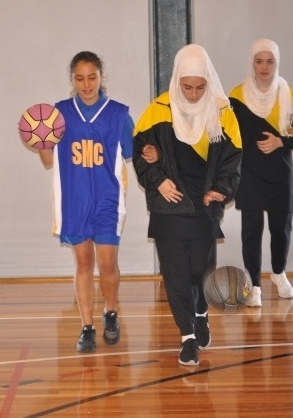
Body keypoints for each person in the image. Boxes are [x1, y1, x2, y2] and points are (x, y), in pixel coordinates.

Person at [133, 44, 242, 366]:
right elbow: (141, 152)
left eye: (200, 87)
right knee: (175, 275)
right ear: (177, 81)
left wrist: (220, 191)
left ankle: (201, 312)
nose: (193, 94)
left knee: (199, 272)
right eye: (187, 87)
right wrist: (157, 179)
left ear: (209, 82)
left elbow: (233, 161)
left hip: (204, 208)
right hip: (168, 208)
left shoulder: (223, 112)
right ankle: (187, 336)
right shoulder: (157, 110)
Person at [37, 51, 133, 353]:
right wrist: (39, 139)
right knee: (82, 263)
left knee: (107, 264)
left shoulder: (118, 114)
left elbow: (133, 153)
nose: (87, 84)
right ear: (72, 80)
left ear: (101, 77)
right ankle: (87, 326)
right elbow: (48, 160)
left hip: (107, 198)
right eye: (80, 78)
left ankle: (111, 311)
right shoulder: (59, 113)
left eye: (92, 77)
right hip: (75, 199)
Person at [229, 38, 293, 307]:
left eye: (270, 61)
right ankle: (254, 285)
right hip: (249, 173)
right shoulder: (236, 96)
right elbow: (229, 135)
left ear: (277, 63)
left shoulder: (291, 94)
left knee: (281, 229)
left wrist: (281, 140)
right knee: (251, 231)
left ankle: (278, 273)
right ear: (251, 62)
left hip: (280, 173)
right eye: (259, 60)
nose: (264, 67)